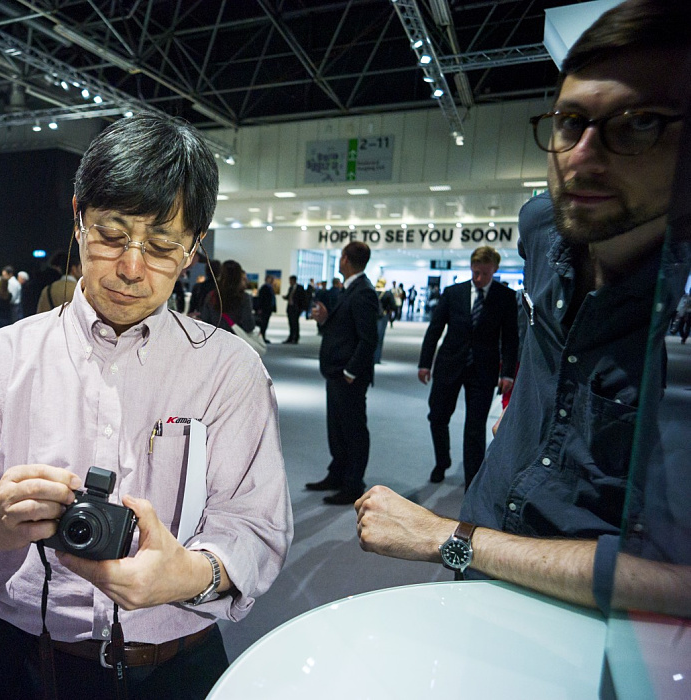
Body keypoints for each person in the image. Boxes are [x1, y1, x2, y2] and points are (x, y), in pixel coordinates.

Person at [0, 113, 292, 700]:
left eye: (162, 246)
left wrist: (187, 574)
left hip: (177, 666)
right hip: (28, 661)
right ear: (79, 216)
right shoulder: (1, 359)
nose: (132, 268)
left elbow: (258, 528)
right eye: (111, 234)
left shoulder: (228, 372)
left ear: (193, 250)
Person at [356, 0, 690, 615]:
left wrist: (447, 539)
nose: (583, 155)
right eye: (570, 122)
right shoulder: (542, 226)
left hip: (583, 614)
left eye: (636, 124)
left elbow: (676, 583)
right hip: (485, 557)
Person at [418, 246, 519, 488]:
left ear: (494, 269)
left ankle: (471, 480)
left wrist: (507, 374)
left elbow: (511, 337)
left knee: (475, 427)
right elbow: (435, 330)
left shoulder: (505, 297)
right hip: (449, 364)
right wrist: (425, 363)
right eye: (475, 272)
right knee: (438, 416)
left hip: (483, 370)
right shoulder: (454, 293)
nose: (478, 278)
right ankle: (442, 462)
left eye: (484, 273)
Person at [305, 242, 379, 505]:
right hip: (337, 372)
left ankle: (353, 483)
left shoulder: (363, 292)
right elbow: (344, 329)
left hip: (348, 375)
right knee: (337, 428)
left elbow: (368, 339)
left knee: (353, 430)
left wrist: (350, 371)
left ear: (345, 259)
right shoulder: (352, 289)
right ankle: (337, 474)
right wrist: (326, 319)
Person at [200, 260, 255, 334]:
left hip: (215, 339)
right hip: (236, 340)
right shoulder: (244, 297)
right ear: (239, 277)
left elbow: (205, 321)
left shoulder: (212, 296)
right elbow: (248, 326)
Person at [282, 274, 304, 344]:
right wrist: (286, 297)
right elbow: (289, 296)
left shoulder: (300, 288)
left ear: (293, 280)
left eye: (290, 280)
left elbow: (302, 298)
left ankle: (296, 337)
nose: (289, 282)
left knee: (295, 323)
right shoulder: (290, 288)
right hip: (290, 308)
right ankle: (291, 337)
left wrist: (301, 308)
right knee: (291, 323)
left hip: (296, 309)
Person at [255, 274, 276, 343]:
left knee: (265, 323)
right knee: (263, 323)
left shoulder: (270, 287)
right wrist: (260, 308)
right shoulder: (265, 287)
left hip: (268, 308)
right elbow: (262, 299)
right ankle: (262, 337)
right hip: (264, 308)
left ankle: (263, 336)